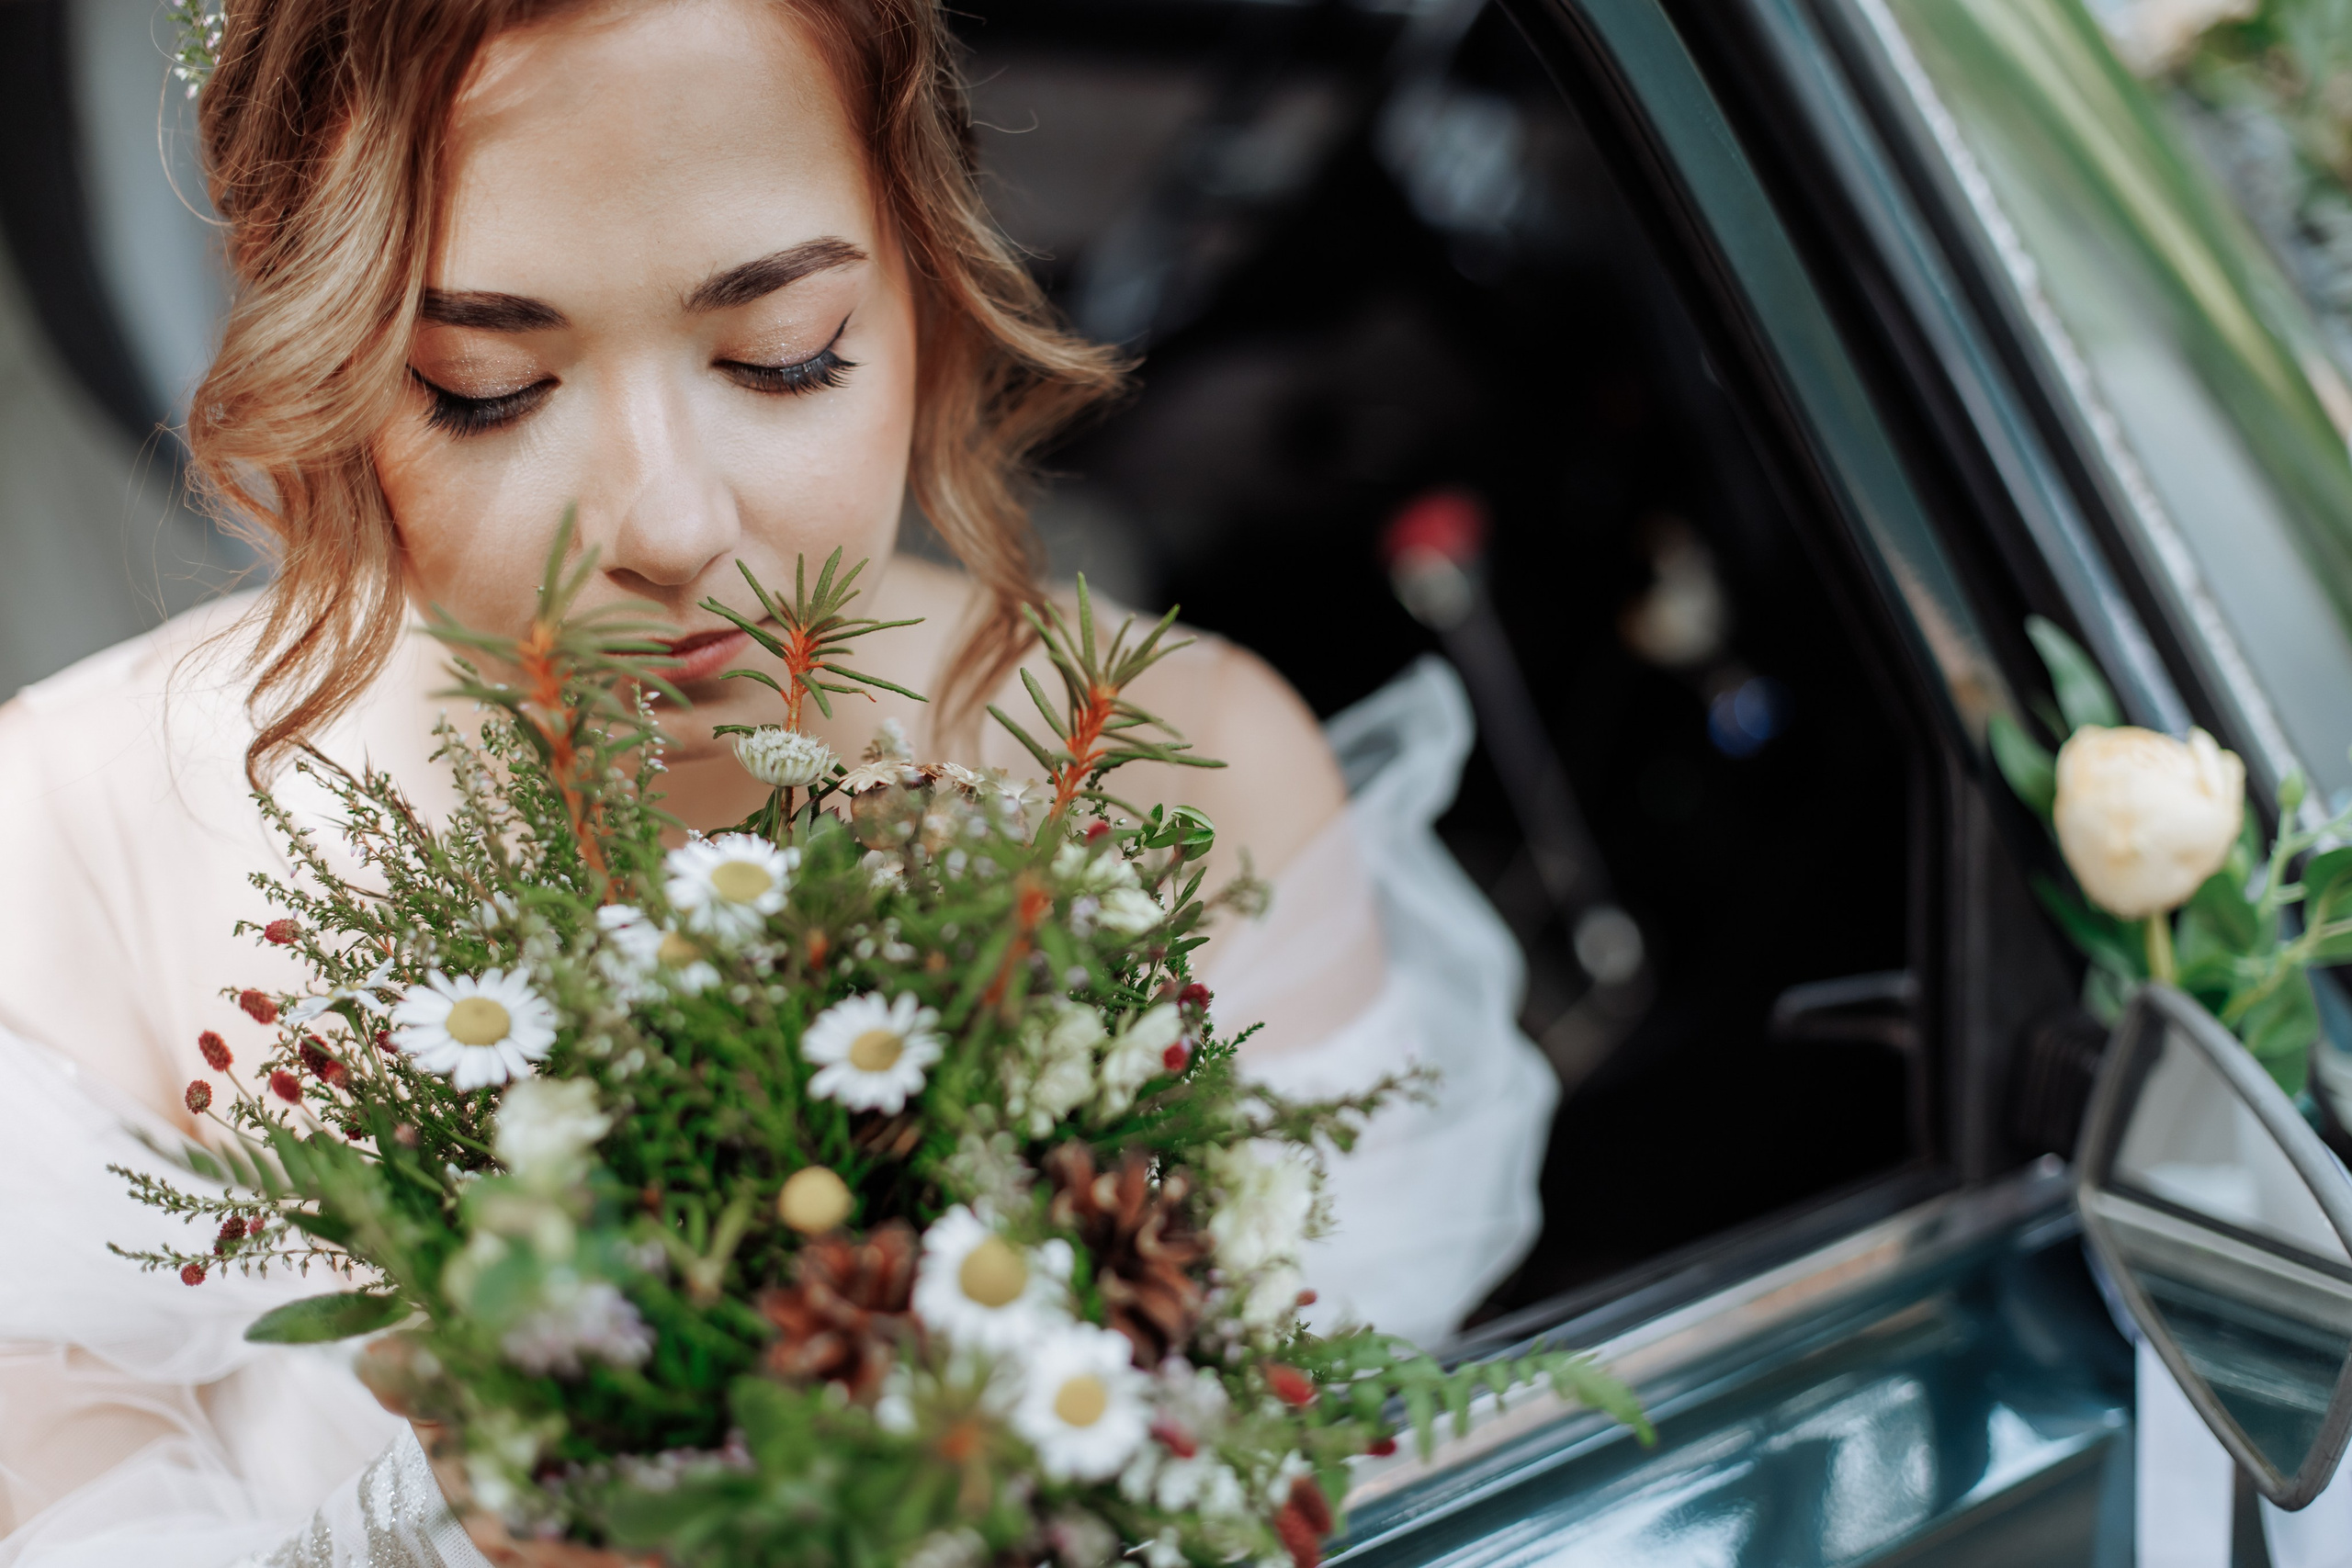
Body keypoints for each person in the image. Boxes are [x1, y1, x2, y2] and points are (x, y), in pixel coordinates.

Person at [0, 1, 1555, 1562]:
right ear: (307, 338)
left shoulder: (1200, 775)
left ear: (922, 273)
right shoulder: (70, 845)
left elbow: (1324, 1465)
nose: (670, 524)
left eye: (782, 357)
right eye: (484, 384)